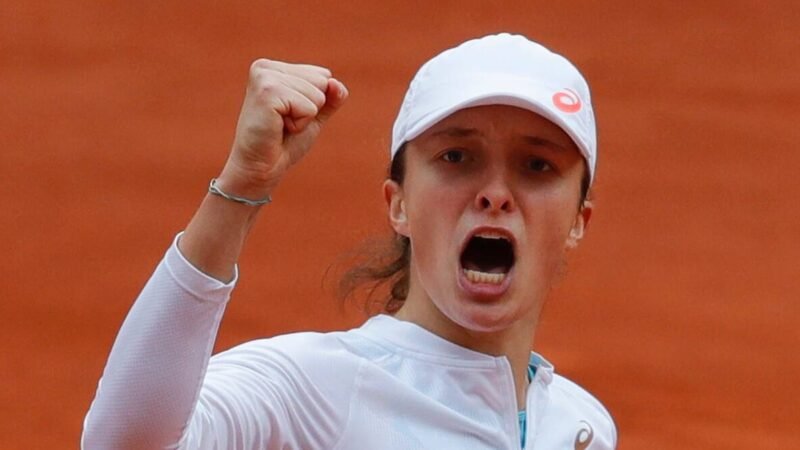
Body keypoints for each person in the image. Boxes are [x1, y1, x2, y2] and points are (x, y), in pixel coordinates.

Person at [82, 33, 617, 449]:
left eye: (537, 165)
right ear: (398, 204)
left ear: (578, 220)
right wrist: (241, 186)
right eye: (456, 157)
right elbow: (124, 444)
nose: (495, 193)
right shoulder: (310, 391)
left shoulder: (581, 426)